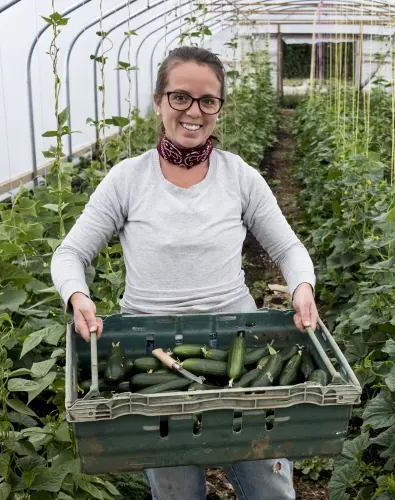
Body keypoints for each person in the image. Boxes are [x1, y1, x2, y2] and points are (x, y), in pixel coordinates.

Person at [50, 46, 319, 500]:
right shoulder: (127, 179)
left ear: (219, 108)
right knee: (175, 491)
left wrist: (303, 288)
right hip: (150, 350)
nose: (194, 111)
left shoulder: (240, 177)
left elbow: (289, 247)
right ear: (158, 101)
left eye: (207, 100)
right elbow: (70, 253)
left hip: (239, 340)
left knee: (270, 485)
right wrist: (79, 297)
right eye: (180, 97)